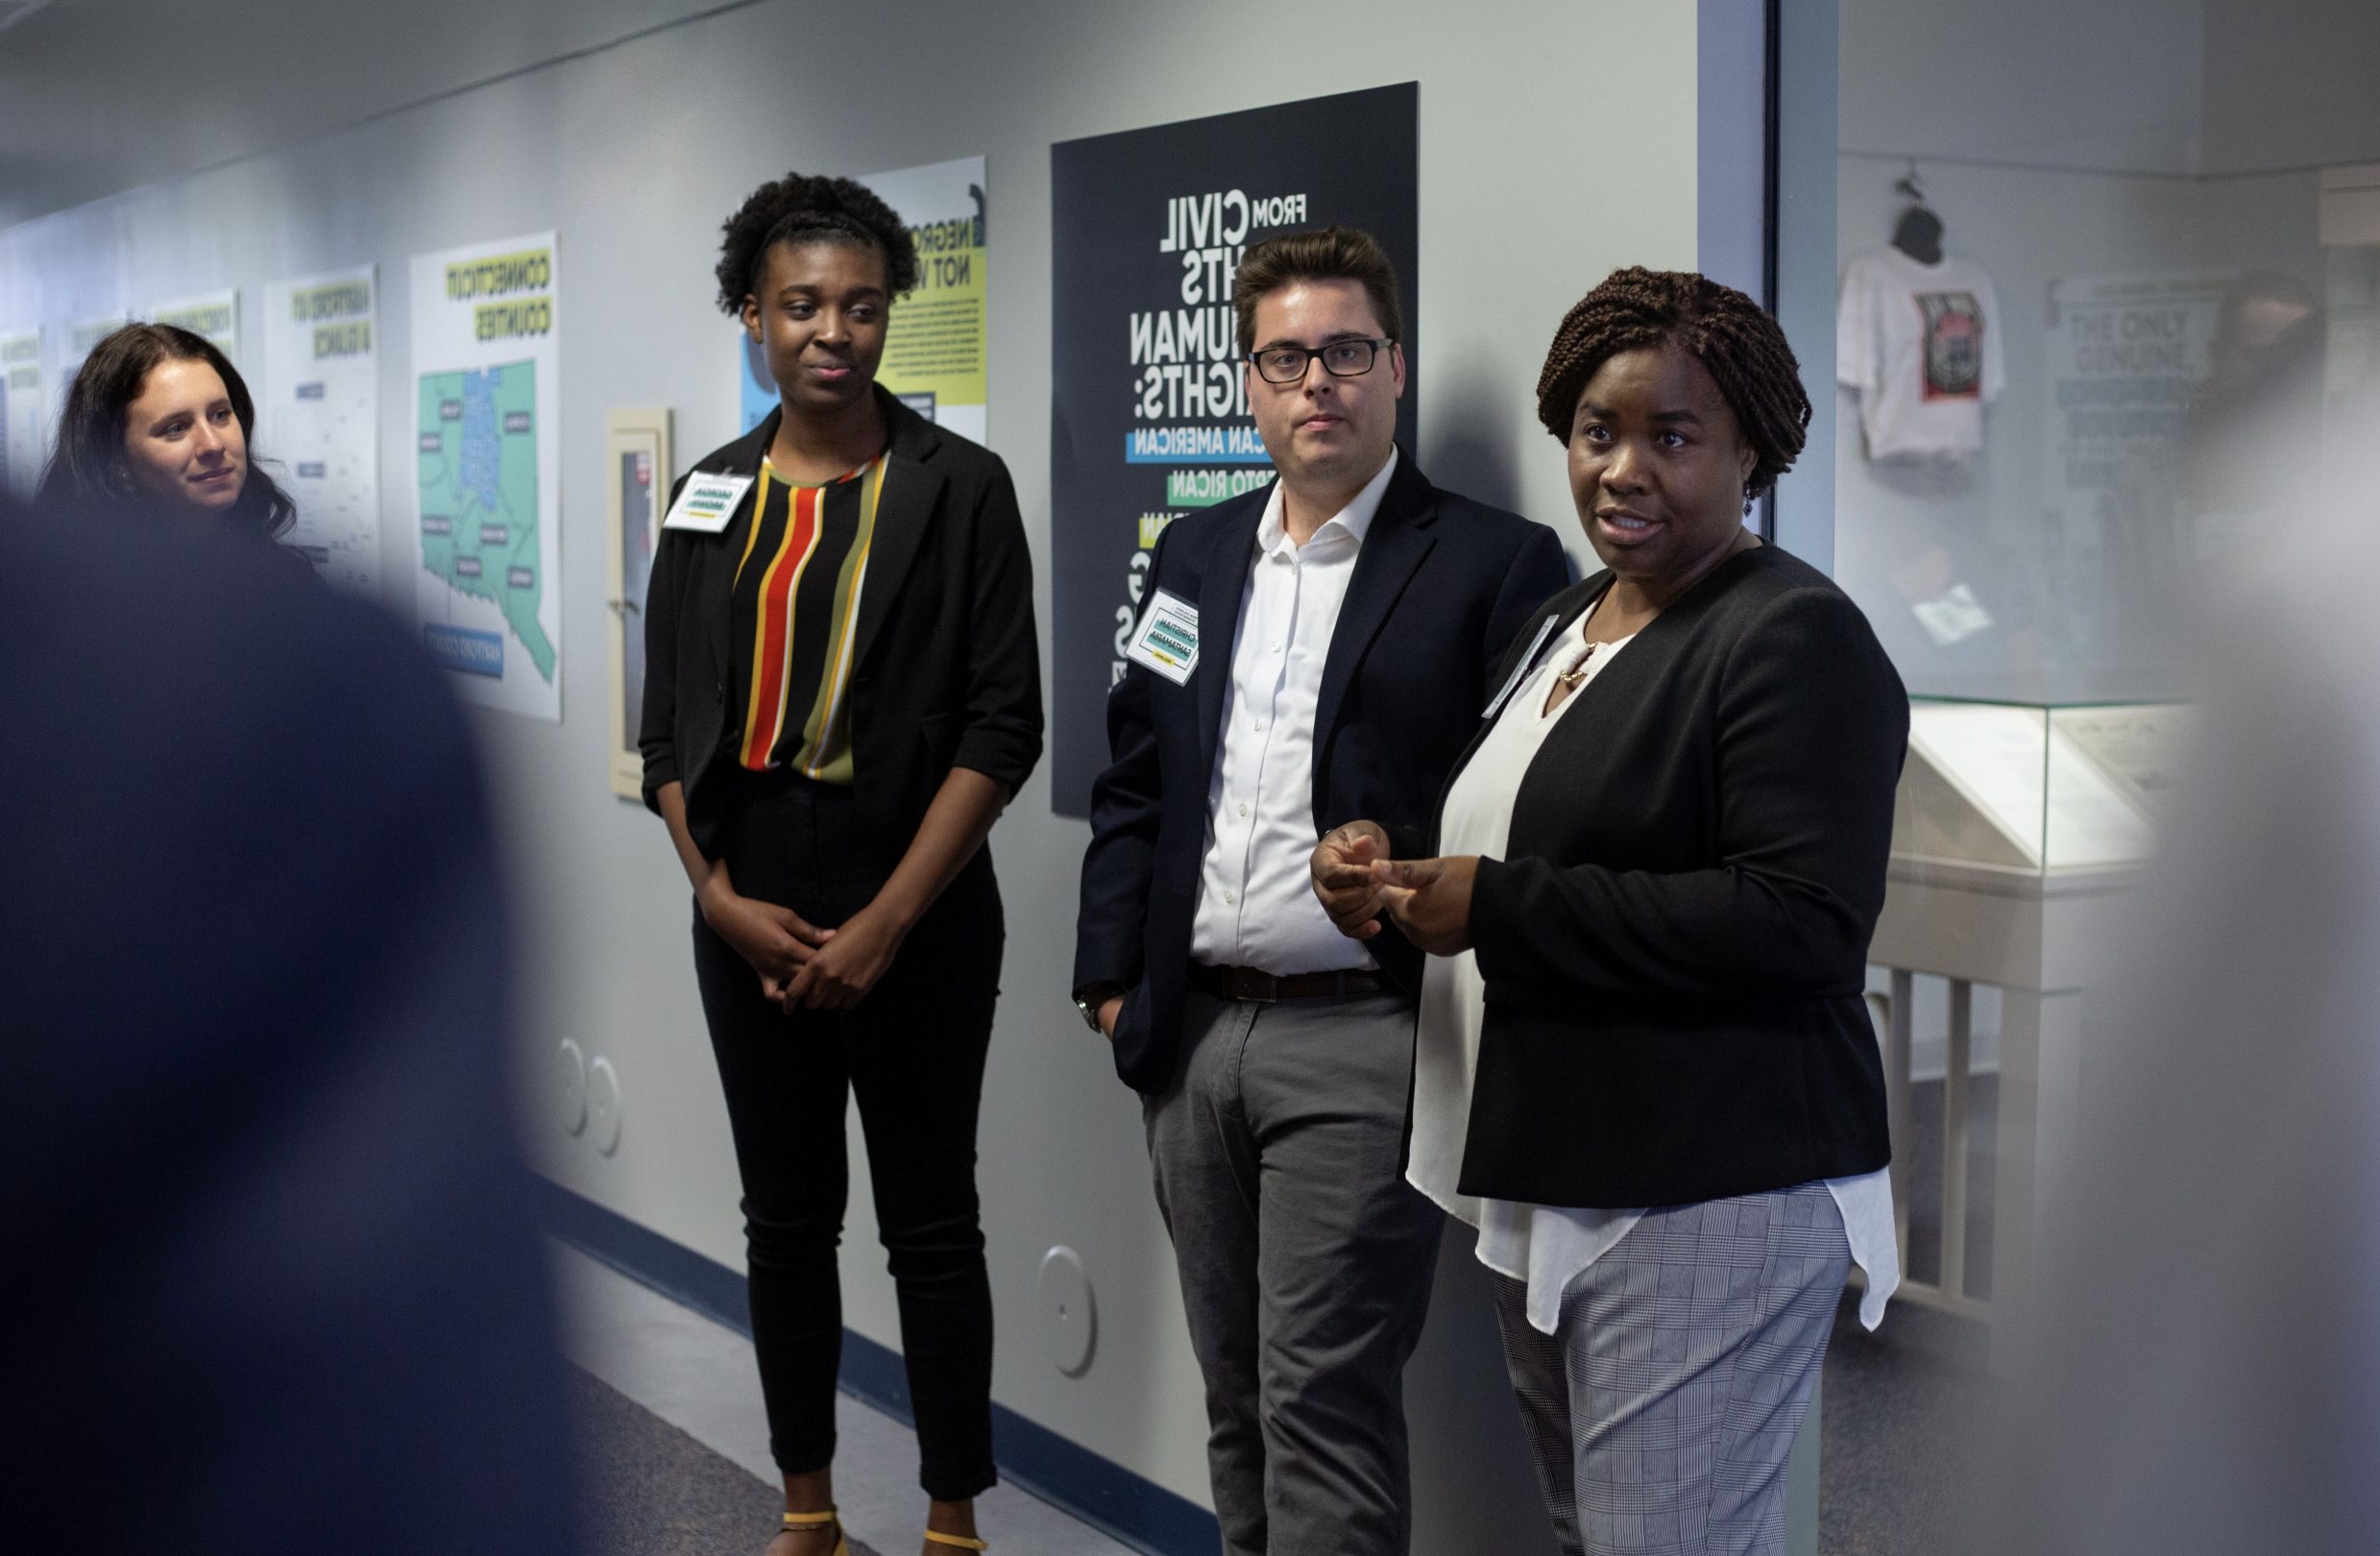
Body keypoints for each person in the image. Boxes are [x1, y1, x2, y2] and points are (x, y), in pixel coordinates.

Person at [1313, 267, 1906, 1556]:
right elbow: (1539, 833)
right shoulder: (1572, 616)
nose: (1623, 470)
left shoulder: (1793, 635)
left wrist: (1503, 907)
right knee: (1601, 1528)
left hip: (1708, 1185)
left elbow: (1800, 921)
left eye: (1671, 436)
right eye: (1596, 432)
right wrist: (1399, 872)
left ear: (1753, 449)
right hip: (1561, 1158)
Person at [1074, 226, 1566, 1556]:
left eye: (1348, 352)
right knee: (1235, 1394)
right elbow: (1139, 779)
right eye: (1287, 357)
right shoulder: (1194, 551)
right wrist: (1113, 984)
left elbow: (1529, 801)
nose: (1319, 384)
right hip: (1191, 1032)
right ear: (1249, 379)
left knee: (1323, 1396)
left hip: (1364, 1033)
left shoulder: (1491, 562)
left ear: (1395, 368)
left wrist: (1398, 863)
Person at [0, 496, 576, 1555]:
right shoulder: (259, 683)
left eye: (219, 412)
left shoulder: (255, 684)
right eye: (171, 424)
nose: (209, 441)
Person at [637, 173, 1041, 1556]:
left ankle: (949, 1521)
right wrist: (718, 897)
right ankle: (804, 1505)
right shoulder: (706, 500)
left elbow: (1005, 725)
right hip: (747, 896)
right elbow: (664, 734)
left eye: (861, 306)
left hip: (917, 901)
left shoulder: (962, 490)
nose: (833, 332)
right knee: (785, 1219)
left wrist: (883, 922)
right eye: (801, 303)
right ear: (752, 314)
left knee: (932, 1222)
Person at [37, 320, 299, 540]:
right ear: (116, 461)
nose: (213, 445)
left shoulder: (282, 577)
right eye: (176, 428)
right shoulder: (82, 592)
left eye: (220, 415)